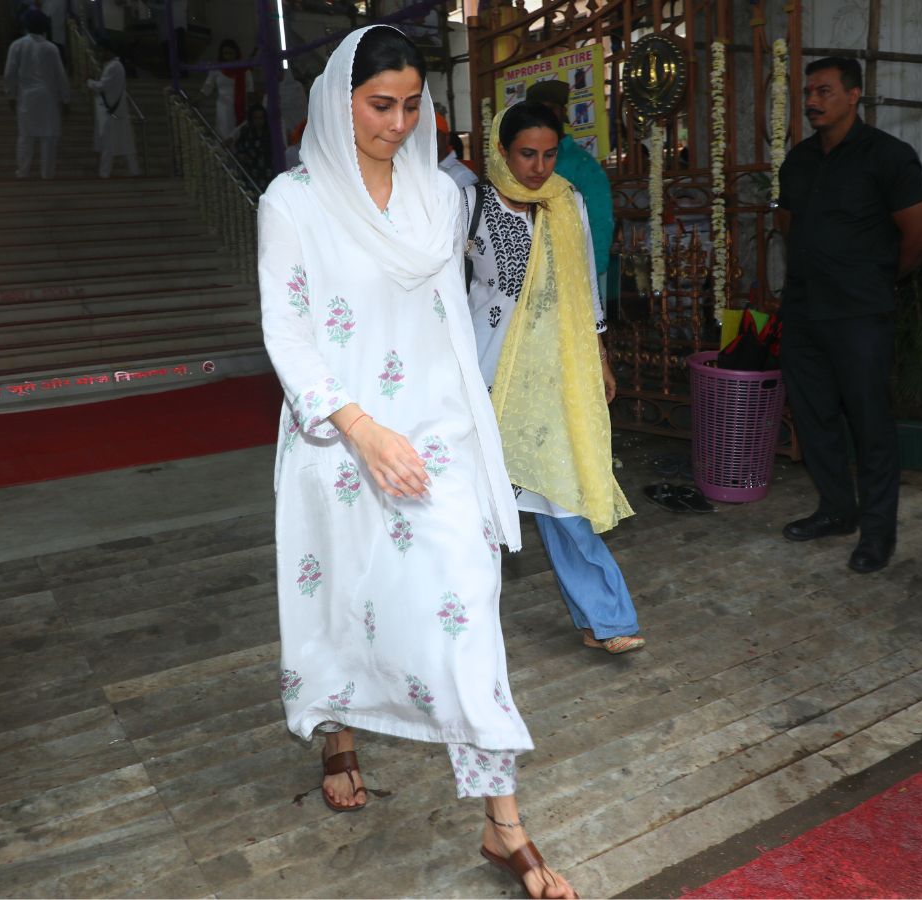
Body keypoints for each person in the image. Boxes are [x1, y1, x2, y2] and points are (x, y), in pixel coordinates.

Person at [257, 25, 577, 899]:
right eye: (378, 106)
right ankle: (339, 732)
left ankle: (502, 821)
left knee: (467, 604)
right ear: (338, 101)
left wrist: (474, 430)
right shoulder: (292, 202)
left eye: (410, 106)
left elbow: (452, 317)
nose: (397, 125)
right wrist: (361, 430)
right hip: (338, 436)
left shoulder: (439, 194)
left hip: (435, 435)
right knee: (339, 596)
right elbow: (287, 331)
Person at [463, 100, 643, 655]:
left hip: (551, 375)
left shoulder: (567, 203)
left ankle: (606, 620)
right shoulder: (467, 204)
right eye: (526, 154)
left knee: (562, 495)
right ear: (501, 150)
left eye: (548, 155)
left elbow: (585, 286)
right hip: (484, 373)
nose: (538, 168)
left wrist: (600, 356)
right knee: (468, 500)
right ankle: (455, 625)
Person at [774, 56, 922, 574]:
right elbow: (787, 224)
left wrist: (877, 279)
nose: (812, 101)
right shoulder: (799, 160)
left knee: (870, 424)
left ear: (853, 95)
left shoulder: (888, 156)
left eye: (823, 91)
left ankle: (878, 533)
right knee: (813, 416)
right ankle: (836, 510)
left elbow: (921, 234)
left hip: (860, 313)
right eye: (808, 92)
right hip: (805, 310)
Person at [525, 79, 615, 312]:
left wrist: (584, 284)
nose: (544, 116)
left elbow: (599, 228)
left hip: (572, 285)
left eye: (550, 109)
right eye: (538, 110)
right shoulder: (518, 163)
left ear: (562, 113)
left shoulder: (583, 166)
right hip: (526, 285)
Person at [3, 10, 70, 180]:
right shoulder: (51, 48)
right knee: (49, 137)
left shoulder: (17, 45)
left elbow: (10, 73)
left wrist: (10, 95)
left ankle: (22, 172)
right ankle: (47, 174)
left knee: (26, 137)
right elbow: (61, 76)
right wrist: (66, 99)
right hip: (49, 98)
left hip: (26, 97)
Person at [87, 40, 140, 178]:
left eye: (101, 51)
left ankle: (105, 174)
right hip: (117, 111)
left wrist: (90, 83)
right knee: (126, 144)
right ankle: (134, 171)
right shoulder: (115, 66)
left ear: (108, 51)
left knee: (109, 144)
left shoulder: (113, 66)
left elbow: (102, 86)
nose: (98, 54)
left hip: (112, 112)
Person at [201, 39, 253, 141]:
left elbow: (250, 89)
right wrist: (196, 99)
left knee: (238, 134)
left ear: (236, 53)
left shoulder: (244, 70)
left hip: (241, 106)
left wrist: (248, 107)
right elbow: (207, 87)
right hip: (223, 106)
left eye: (231, 53)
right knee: (223, 132)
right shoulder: (216, 69)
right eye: (225, 53)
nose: (228, 56)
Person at [234, 103, 272, 190]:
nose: (258, 121)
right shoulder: (245, 131)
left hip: (266, 172)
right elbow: (239, 147)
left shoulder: (269, 132)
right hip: (249, 171)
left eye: (261, 118)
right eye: (256, 118)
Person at [435, 112, 477, 190]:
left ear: (447, 138)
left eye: (434, 133)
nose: (429, 139)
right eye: (425, 135)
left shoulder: (462, 176)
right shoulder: (421, 170)